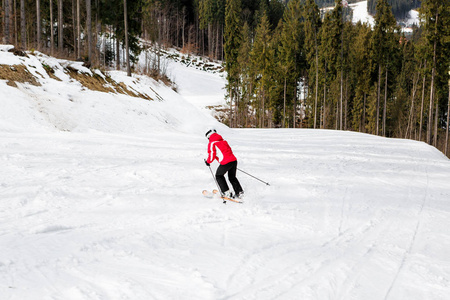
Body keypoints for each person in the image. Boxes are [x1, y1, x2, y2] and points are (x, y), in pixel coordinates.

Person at [204, 128, 244, 199]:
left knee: (219, 176)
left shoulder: (212, 143)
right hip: (233, 161)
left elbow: (212, 154)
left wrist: (208, 162)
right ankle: (239, 192)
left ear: (209, 137)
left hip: (226, 162)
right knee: (232, 177)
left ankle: (226, 193)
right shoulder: (223, 141)